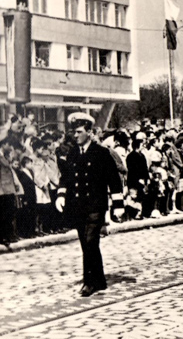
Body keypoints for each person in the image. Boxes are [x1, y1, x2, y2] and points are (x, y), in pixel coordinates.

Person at [55, 113, 124, 297]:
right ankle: (100, 280)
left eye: (79, 132)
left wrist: (118, 204)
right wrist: (61, 195)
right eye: (73, 132)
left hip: (96, 206)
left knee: (91, 241)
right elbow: (66, 177)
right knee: (86, 244)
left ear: (89, 132)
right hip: (78, 206)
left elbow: (113, 179)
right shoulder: (72, 153)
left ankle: (89, 282)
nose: (75, 135)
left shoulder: (101, 153)